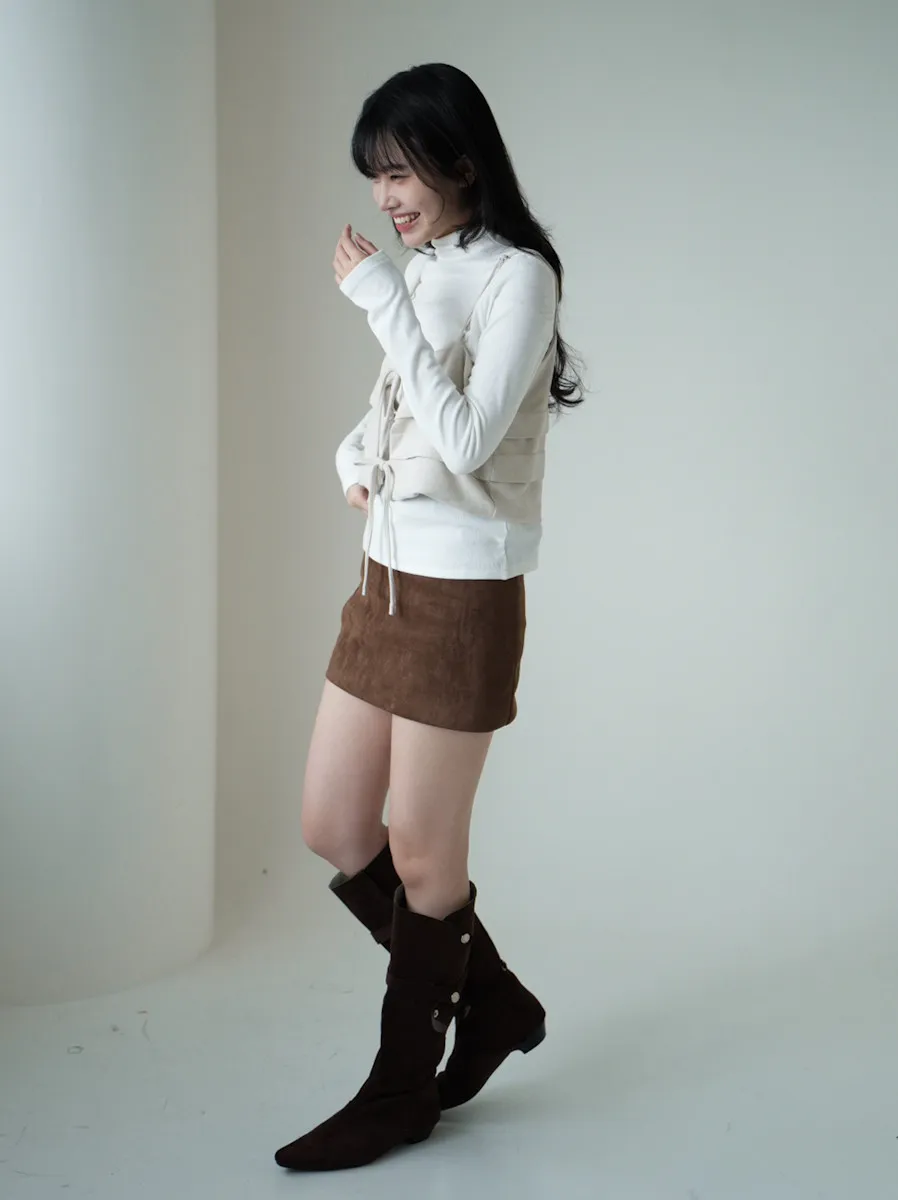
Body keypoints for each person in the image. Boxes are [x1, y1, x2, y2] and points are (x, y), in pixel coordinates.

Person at [274, 62, 584, 1173]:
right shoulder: (424, 270)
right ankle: (492, 1001)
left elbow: (466, 441)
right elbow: (403, 412)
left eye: (399, 172)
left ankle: (402, 1090)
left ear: (459, 160)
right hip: (383, 584)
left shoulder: (518, 277)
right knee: (333, 826)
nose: (384, 197)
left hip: (461, 597)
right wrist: (354, 456)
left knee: (419, 851)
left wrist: (379, 302)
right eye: (375, 176)